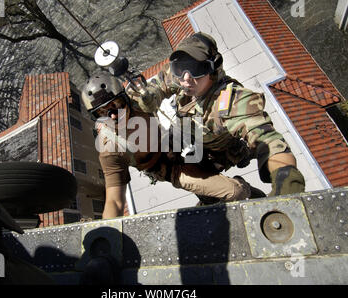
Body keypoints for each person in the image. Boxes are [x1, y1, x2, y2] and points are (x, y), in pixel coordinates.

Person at [129, 32, 305, 197]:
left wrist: (288, 181)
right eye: (181, 68)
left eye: (196, 68)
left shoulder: (232, 101)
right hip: (188, 133)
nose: (186, 79)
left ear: (212, 69)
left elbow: (268, 140)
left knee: (207, 184)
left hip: (215, 151)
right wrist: (150, 97)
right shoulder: (182, 74)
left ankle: (248, 193)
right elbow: (161, 84)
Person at [81, 73, 264, 218]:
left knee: (215, 131)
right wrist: (107, 235)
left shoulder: (138, 101)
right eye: (102, 113)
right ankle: (234, 192)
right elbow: (114, 201)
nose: (113, 115)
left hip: (173, 140)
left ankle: (234, 156)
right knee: (236, 192)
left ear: (125, 98)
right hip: (168, 168)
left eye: (116, 104)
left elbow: (170, 81)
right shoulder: (111, 150)